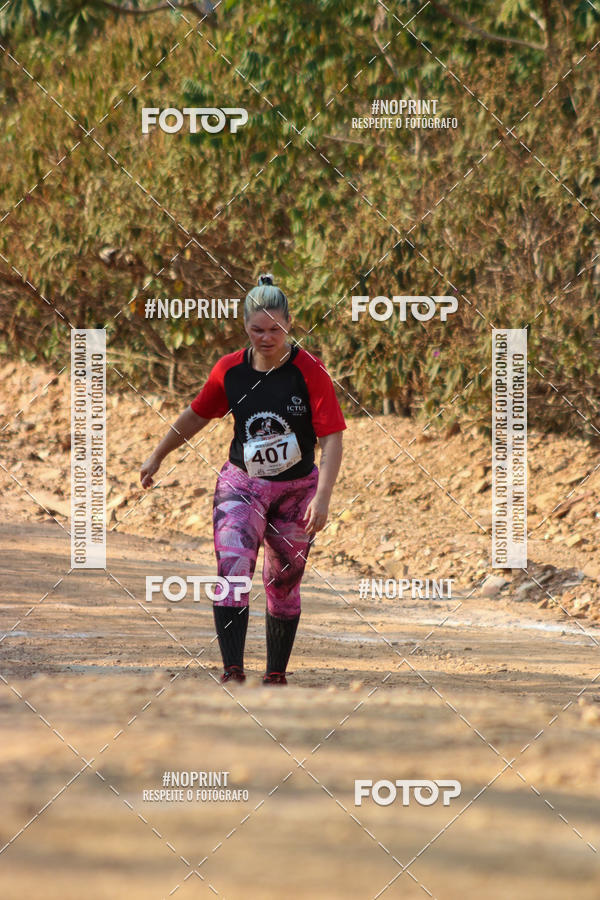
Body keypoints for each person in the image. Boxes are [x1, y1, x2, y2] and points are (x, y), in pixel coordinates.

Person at [140, 274, 345, 685]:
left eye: (275, 329)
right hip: (242, 485)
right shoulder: (230, 370)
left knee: (283, 580)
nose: (267, 338)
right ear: (244, 326)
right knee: (233, 569)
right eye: (257, 330)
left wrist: (322, 498)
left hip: (297, 490)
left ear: (290, 323)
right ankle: (232, 670)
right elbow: (197, 414)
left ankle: (275, 674)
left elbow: (332, 437)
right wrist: (158, 454)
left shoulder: (309, 371)